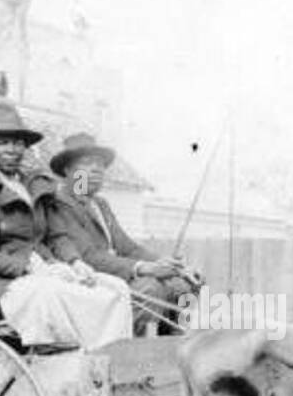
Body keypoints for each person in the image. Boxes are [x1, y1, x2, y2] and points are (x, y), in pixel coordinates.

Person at [0, 103, 132, 349]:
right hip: (4, 281)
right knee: (51, 293)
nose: (11, 150)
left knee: (116, 288)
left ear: (25, 148)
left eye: (17, 143)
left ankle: (108, 356)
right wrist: (31, 267)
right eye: (2, 143)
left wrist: (75, 262)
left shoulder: (36, 186)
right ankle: (76, 358)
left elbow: (57, 235)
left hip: (49, 269)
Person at [50, 132, 201, 335]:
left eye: (101, 164)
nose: (97, 169)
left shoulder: (100, 204)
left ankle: (174, 343)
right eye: (87, 163)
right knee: (149, 289)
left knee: (183, 284)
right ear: (67, 170)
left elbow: (127, 247)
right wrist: (145, 268)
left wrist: (169, 265)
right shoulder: (59, 203)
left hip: (117, 276)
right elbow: (89, 256)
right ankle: (135, 352)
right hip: (86, 282)